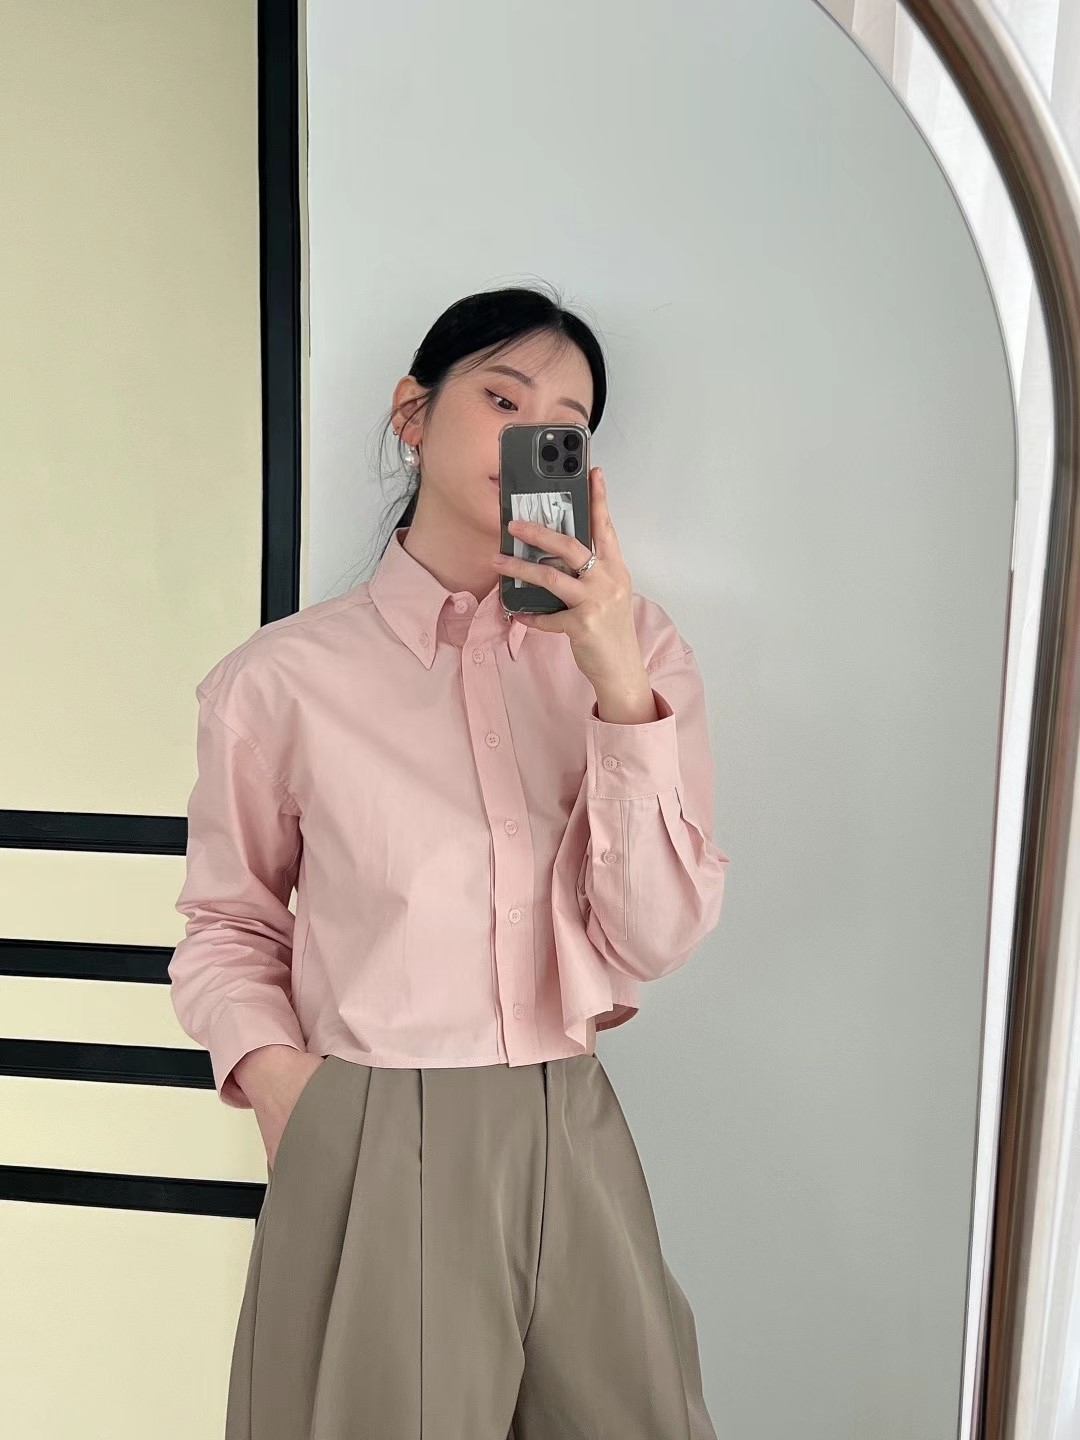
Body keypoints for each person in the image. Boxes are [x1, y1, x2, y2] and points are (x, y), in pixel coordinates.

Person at [168, 283, 730, 1439]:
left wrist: (615, 681)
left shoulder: (636, 655)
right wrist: (284, 1088)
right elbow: (229, 922)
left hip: (573, 1119)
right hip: (375, 1127)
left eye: (565, 424)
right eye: (503, 399)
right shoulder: (280, 681)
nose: (531, 435)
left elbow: (657, 937)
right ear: (413, 415)